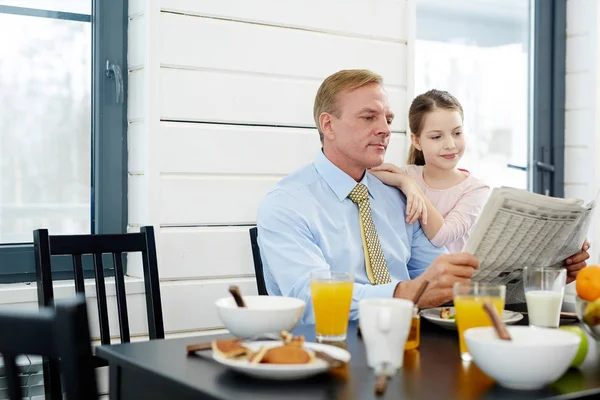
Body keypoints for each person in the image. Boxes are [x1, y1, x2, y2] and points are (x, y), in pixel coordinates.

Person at [256, 69, 589, 323]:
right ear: (328, 125)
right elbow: (309, 300)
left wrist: (542, 272)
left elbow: (442, 278)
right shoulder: (286, 204)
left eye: (387, 119)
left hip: (411, 343)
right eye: (369, 117)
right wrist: (406, 293)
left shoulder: (398, 194)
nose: (385, 129)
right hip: (329, 352)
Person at [369, 89, 489, 254]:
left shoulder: (476, 189)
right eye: (436, 137)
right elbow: (365, 174)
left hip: (453, 278)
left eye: (457, 133)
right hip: (411, 278)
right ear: (416, 141)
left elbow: (441, 236)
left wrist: (410, 185)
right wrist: (405, 182)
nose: (450, 144)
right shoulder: (407, 176)